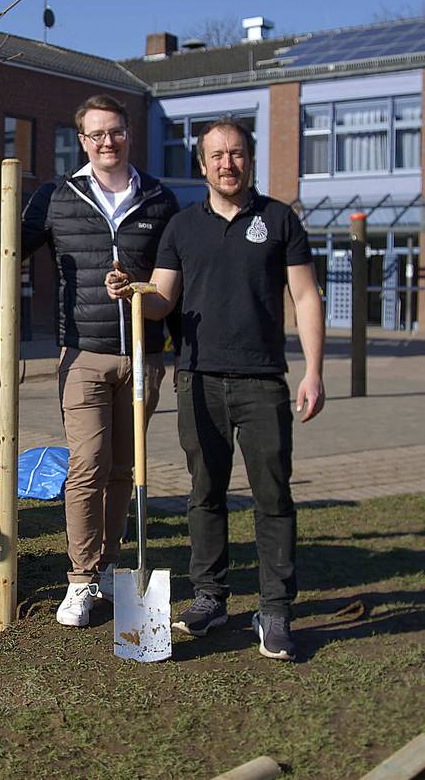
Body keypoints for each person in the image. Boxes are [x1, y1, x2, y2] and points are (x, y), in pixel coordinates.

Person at [0, 93, 179, 627]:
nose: (108, 142)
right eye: (96, 134)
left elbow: (175, 279)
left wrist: (163, 325)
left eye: (116, 132)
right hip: (83, 353)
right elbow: (3, 250)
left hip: (144, 357)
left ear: (129, 133)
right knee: (86, 466)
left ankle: (112, 566)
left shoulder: (159, 200)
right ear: (81, 140)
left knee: (123, 470)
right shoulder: (57, 197)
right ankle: (82, 579)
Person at [106, 118, 325, 661]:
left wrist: (314, 370)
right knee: (204, 494)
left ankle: (274, 609)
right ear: (202, 165)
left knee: (273, 497)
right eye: (217, 155)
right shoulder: (181, 228)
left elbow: (305, 296)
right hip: (198, 379)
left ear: (249, 159)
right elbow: (162, 300)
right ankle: (210, 597)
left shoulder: (278, 220)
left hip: (262, 382)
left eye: (237, 153)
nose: (228, 163)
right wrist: (132, 290)